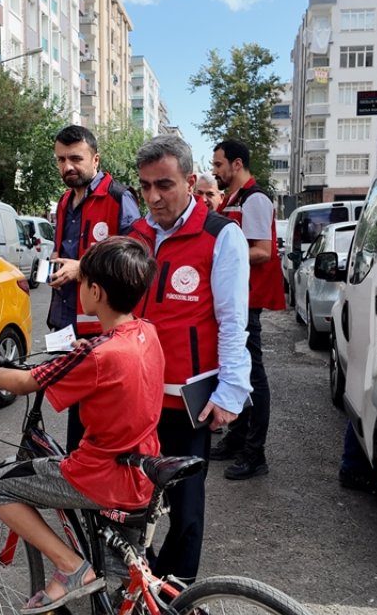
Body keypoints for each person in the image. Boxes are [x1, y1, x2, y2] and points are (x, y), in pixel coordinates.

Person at [0, 237, 163, 614]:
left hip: (100, 476)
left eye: (82, 282)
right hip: (142, 470)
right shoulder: (147, 333)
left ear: (95, 291)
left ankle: (70, 567)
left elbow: (23, 382)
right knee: (121, 588)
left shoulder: (94, 355)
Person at [128, 135, 251, 582]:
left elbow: (234, 320)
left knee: (184, 507)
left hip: (185, 399)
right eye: (145, 186)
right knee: (130, 498)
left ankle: (175, 591)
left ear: (190, 180)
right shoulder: (137, 235)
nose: (154, 197)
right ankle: (138, 581)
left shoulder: (220, 235)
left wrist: (231, 392)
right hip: (135, 396)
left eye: (165, 184)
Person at [49, 124, 141, 451]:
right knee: (77, 407)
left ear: (95, 159)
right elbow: (67, 252)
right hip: (66, 321)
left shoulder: (118, 197)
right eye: (61, 160)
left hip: (102, 328)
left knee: (100, 414)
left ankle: (95, 491)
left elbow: (135, 256)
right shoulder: (63, 202)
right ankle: (82, 484)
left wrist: (82, 267)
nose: (67, 167)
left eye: (75, 158)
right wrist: (57, 264)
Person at [208, 140, 286, 480]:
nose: (215, 171)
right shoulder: (234, 200)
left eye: (219, 164)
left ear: (237, 164)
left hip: (249, 300)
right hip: (241, 297)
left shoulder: (254, 199)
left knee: (253, 377)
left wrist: (220, 257)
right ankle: (238, 440)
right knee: (236, 371)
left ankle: (255, 454)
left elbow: (263, 251)